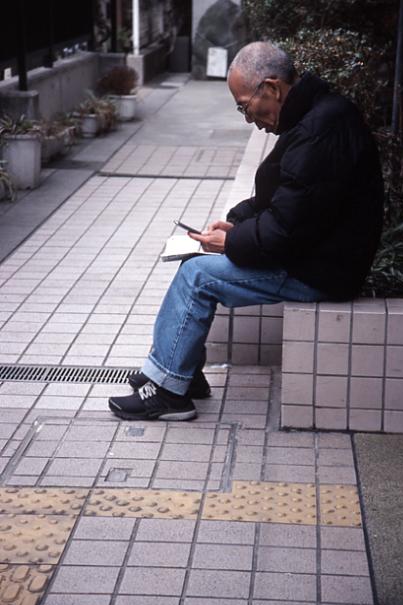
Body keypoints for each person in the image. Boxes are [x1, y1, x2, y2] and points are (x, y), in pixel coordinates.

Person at [109, 41, 384, 421]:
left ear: (271, 88)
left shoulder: (320, 128)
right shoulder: (314, 116)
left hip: (321, 270)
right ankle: (183, 375)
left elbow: (286, 229)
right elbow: (287, 199)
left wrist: (232, 241)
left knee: (197, 275)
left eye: (244, 105)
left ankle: (169, 393)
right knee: (195, 263)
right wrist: (236, 224)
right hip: (314, 255)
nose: (247, 118)